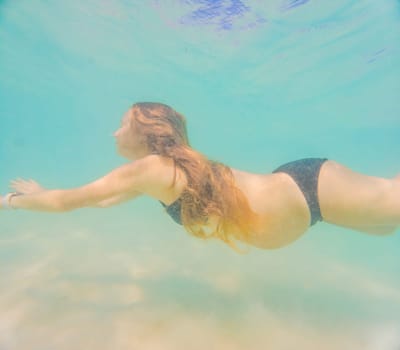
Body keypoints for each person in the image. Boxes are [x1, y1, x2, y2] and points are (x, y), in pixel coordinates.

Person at [1, 102, 399, 250]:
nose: (115, 132)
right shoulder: (153, 175)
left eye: (122, 125)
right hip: (308, 203)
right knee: (387, 227)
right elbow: (97, 200)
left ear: (147, 133)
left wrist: (11, 202)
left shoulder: (151, 168)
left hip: (308, 189)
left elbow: (71, 201)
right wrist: (43, 194)